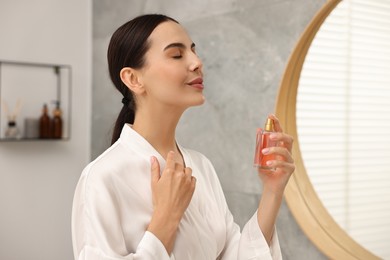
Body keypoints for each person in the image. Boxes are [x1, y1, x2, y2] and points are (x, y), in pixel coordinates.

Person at [72, 14, 295, 260]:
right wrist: (165, 219)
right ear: (133, 79)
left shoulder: (201, 166)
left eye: (193, 51)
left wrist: (273, 191)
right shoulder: (103, 177)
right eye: (177, 55)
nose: (197, 62)